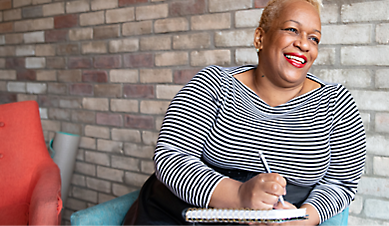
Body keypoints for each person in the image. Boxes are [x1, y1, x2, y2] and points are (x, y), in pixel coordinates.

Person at [123, 0, 366, 225]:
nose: (304, 44)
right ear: (260, 37)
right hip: (181, 215)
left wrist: (303, 219)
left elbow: (341, 183)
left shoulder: (336, 102)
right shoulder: (213, 84)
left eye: (314, 38)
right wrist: (239, 195)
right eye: (292, 30)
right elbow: (171, 157)